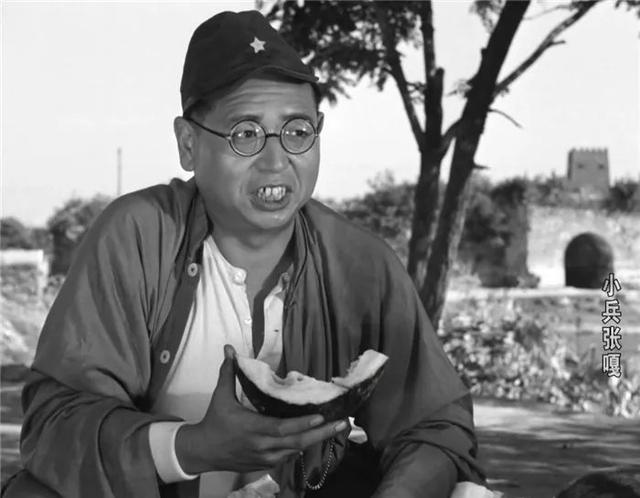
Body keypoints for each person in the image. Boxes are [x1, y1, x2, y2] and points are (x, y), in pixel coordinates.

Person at [3, 10, 484, 498]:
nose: (276, 162)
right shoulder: (138, 237)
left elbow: (435, 426)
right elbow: (54, 426)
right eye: (246, 134)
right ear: (188, 144)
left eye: (297, 131)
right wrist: (192, 447)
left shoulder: (360, 264)